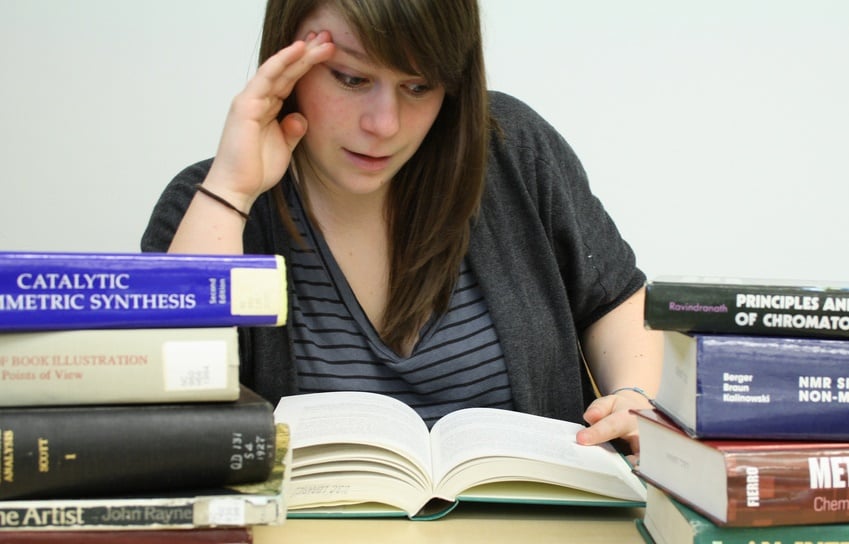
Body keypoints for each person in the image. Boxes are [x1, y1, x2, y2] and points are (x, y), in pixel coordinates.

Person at [142, 0, 662, 457]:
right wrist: (231, 192)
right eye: (351, 78)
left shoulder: (512, 149)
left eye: (418, 86)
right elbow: (174, 413)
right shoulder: (207, 206)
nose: (383, 124)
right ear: (286, 60)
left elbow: (614, 297)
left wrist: (637, 399)